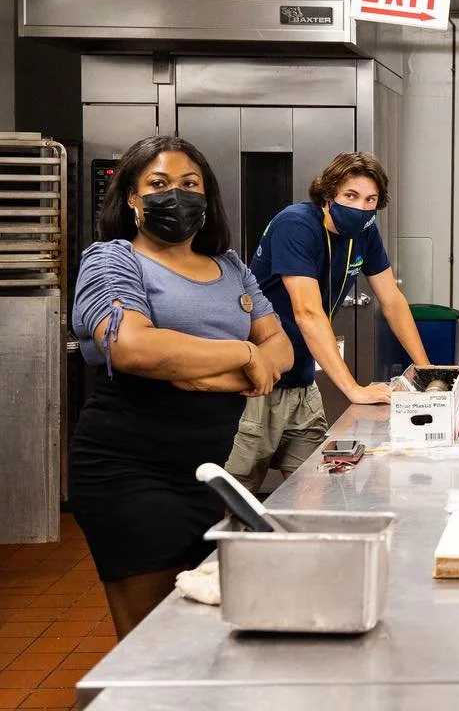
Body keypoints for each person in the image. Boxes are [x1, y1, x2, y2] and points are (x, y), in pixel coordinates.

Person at [69, 136, 293, 638]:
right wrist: (243, 354)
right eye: (159, 184)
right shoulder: (113, 260)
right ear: (131, 197)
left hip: (208, 473)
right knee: (153, 640)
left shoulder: (230, 266)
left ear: (206, 195)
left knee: (202, 624)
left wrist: (197, 366)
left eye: (190, 183)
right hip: (129, 471)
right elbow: (132, 347)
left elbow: (281, 347)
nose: (177, 194)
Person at [228, 152, 432, 492]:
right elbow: (307, 312)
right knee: (236, 492)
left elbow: (393, 301)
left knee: (320, 485)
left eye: (371, 200)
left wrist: (427, 372)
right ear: (328, 194)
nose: (361, 208)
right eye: (351, 196)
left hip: (302, 382)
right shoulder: (296, 225)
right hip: (257, 384)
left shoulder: (364, 231)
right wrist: (353, 389)